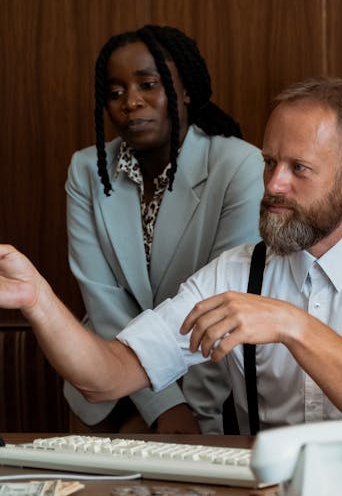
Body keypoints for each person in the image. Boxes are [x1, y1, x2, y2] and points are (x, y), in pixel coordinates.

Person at [0, 78, 342, 434]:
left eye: (298, 168)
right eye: (269, 163)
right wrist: (36, 299)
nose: (274, 184)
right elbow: (106, 376)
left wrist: (292, 324)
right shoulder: (237, 271)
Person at [65, 24, 264, 434]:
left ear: (184, 91)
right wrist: (163, 405)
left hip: (210, 378)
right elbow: (104, 305)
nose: (131, 103)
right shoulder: (87, 171)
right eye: (115, 92)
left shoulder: (240, 166)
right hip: (107, 383)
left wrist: (192, 411)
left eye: (148, 85)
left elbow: (222, 302)